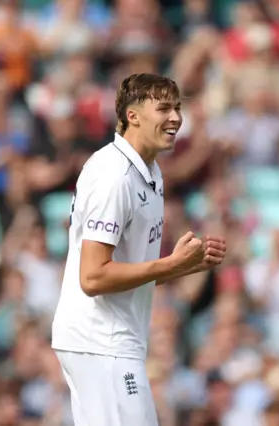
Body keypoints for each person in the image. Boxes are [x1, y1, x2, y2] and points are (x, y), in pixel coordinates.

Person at [51, 73, 227, 426]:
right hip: (101, 340)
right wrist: (169, 265)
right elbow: (94, 276)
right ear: (132, 116)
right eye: (164, 108)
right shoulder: (112, 175)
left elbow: (129, 271)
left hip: (116, 342)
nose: (176, 117)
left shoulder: (151, 172)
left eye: (178, 108)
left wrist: (181, 267)